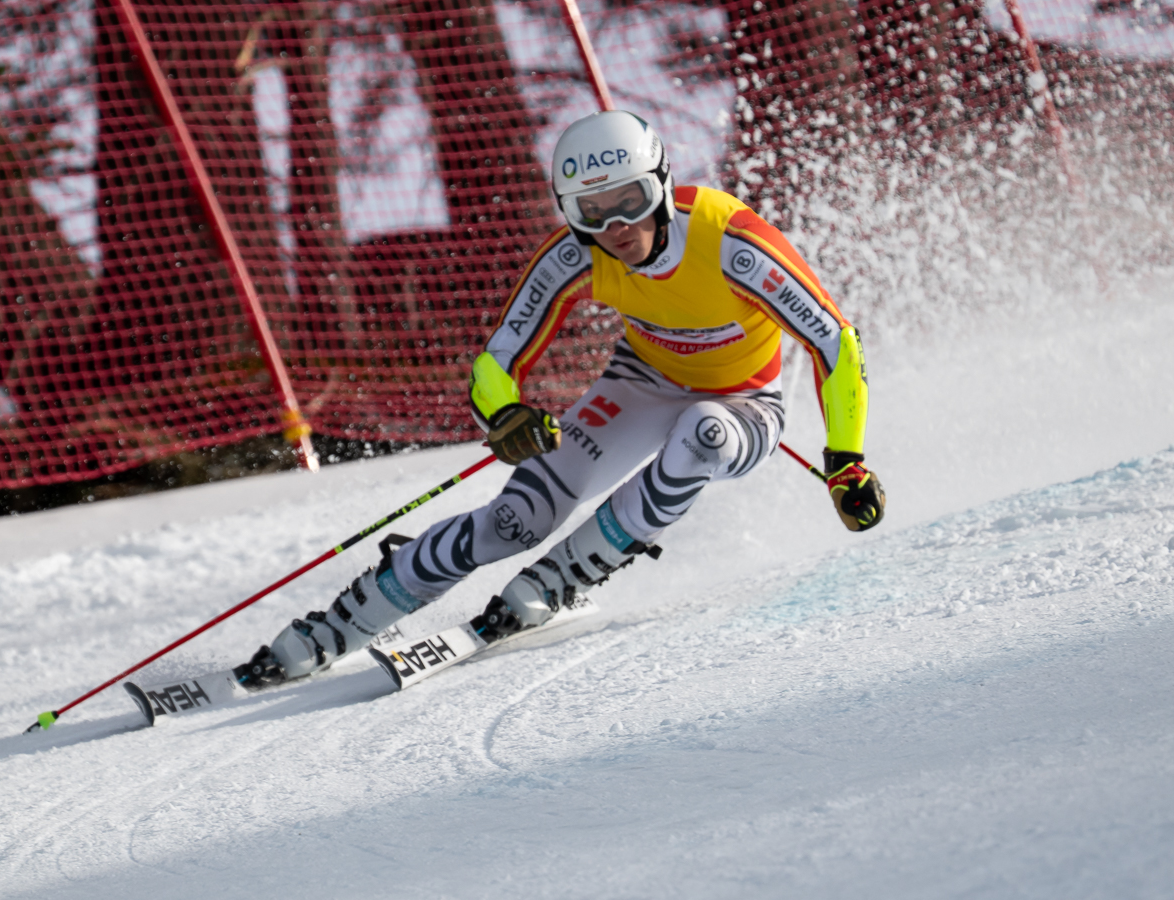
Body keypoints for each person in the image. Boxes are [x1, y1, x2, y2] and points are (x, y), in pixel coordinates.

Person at [235, 110, 885, 689]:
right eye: (591, 210)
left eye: (630, 200)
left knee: (703, 434)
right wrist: (503, 413)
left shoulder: (730, 241)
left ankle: (562, 579)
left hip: (745, 403)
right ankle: (340, 625)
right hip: (641, 382)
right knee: (513, 520)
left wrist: (846, 460)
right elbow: (497, 360)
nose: (617, 226)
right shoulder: (576, 255)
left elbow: (836, 342)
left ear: (661, 183)